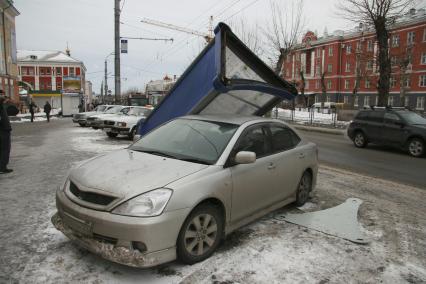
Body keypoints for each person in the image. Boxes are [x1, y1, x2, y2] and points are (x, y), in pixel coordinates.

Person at [0, 95, 13, 174]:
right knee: (5, 149)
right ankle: (2, 167)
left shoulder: (2, 106)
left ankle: (2, 166)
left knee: (4, 149)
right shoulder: (1, 107)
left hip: (4, 130)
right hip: (3, 131)